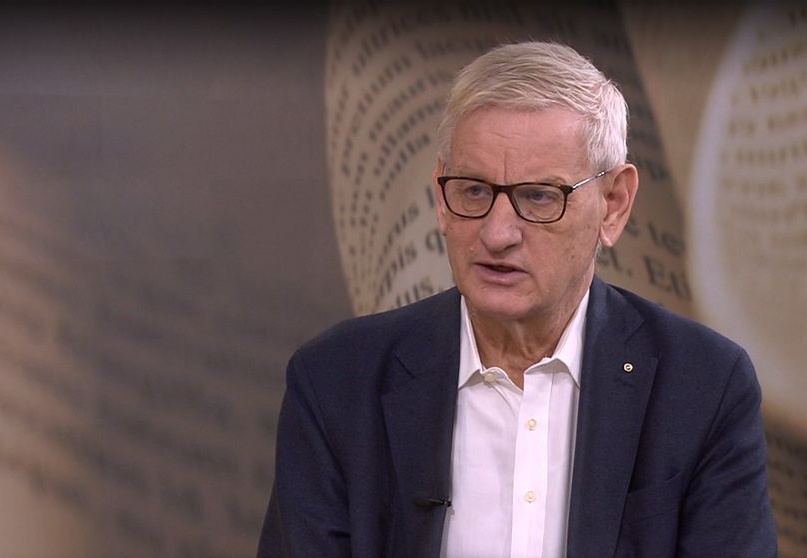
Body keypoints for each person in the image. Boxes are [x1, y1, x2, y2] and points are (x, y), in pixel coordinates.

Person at [258, 42, 777, 558]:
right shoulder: (335, 382)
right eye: (474, 190)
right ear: (441, 196)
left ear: (614, 205)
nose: (497, 233)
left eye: (539, 196)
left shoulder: (704, 386)